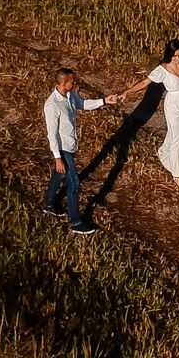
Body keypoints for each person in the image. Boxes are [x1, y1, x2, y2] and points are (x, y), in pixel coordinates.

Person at [43, 67, 121, 235]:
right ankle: (76, 222)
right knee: (74, 183)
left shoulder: (70, 95)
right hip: (62, 149)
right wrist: (58, 158)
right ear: (63, 83)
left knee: (59, 175)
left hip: (70, 146)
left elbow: (83, 104)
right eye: (72, 81)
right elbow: (52, 134)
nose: (74, 83)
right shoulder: (52, 105)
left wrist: (104, 101)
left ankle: (48, 205)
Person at [117, 40, 179, 182]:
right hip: (174, 106)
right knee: (177, 137)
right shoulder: (162, 69)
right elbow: (144, 82)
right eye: (175, 56)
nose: (178, 59)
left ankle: (167, 154)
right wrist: (127, 92)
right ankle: (177, 174)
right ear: (169, 55)